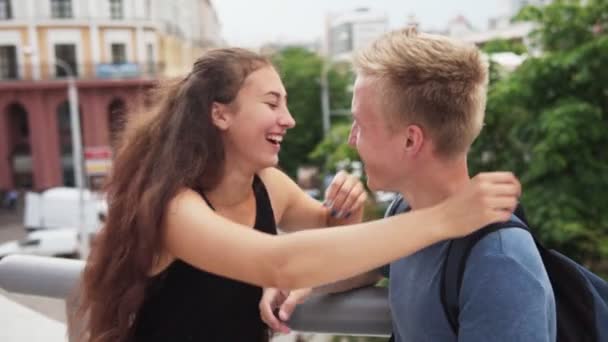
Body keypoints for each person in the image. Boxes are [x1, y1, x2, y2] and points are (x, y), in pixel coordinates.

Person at [74, 47, 521, 342]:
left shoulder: (268, 185)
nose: (288, 119)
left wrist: (347, 204)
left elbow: (335, 245)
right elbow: (278, 261)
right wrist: (447, 218)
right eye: (272, 103)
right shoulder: (176, 208)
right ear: (220, 114)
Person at [260, 28, 555, 342]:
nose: (351, 139)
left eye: (360, 124)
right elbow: (373, 265)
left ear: (410, 140)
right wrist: (298, 284)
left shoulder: (500, 266)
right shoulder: (406, 212)